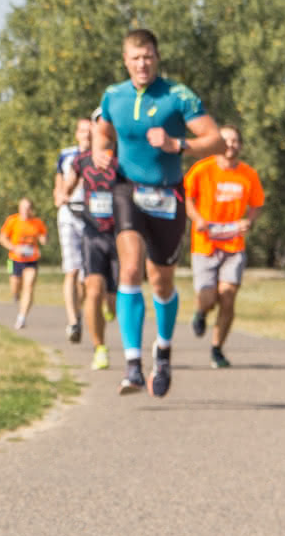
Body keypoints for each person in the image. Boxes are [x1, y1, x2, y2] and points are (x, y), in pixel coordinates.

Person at [92, 29, 222, 397]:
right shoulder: (113, 96)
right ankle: (132, 365)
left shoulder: (178, 96)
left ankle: (162, 351)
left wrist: (177, 143)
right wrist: (102, 152)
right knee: (130, 268)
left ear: (157, 57)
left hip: (167, 193)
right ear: (126, 61)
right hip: (127, 188)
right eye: (135, 58)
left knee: (161, 280)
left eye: (148, 56)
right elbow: (103, 132)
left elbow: (215, 140)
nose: (142, 64)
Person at [184, 124, 265, 368]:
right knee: (209, 298)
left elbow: (257, 203)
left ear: (240, 145)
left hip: (233, 245)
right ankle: (200, 313)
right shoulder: (202, 169)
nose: (231, 145)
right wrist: (197, 219)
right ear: (217, 143)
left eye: (235, 141)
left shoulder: (248, 174)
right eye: (226, 141)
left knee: (228, 296)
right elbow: (187, 197)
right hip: (205, 243)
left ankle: (217, 349)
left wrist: (248, 222)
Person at [75, 127, 120, 370]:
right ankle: (99, 348)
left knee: (113, 300)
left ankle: (109, 306)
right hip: (92, 233)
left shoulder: (122, 161)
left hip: (119, 235)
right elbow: (66, 181)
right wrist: (61, 191)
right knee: (92, 290)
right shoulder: (81, 160)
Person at [53, 119, 92, 342]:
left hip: (91, 216)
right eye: (82, 131)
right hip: (69, 214)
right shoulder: (66, 155)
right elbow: (58, 185)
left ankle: (79, 310)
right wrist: (60, 196)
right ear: (77, 134)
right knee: (71, 270)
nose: (86, 135)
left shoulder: (101, 156)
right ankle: (73, 321)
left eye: (90, 131)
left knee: (87, 278)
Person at [0, 197, 48, 331]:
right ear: (19, 208)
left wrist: (43, 240)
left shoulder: (37, 222)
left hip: (32, 260)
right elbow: (2, 238)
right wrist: (14, 248)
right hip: (15, 259)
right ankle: (16, 296)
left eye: (28, 207)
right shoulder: (12, 221)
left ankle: (22, 317)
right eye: (23, 207)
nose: (26, 210)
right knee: (15, 288)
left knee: (29, 286)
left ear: (31, 209)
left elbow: (43, 237)